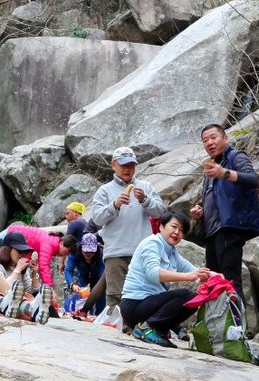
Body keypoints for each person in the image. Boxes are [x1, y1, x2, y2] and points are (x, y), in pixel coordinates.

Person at [89, 146, 166, 314]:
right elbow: (97, 218)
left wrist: (145, 200)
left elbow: (160, 211)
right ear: (113, 165)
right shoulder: (105, 190)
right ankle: (116, 331)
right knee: (116, 296)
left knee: (144, 294)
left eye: (131, 165)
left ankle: (139, 330)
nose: (127, 169)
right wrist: (114, 205)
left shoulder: (145, 187)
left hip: (142, 251)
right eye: (123, 165)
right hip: (116, 252)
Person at [121, 212, 213, 348]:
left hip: (149, 305)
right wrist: (188, 277)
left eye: (181, 230)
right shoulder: (152, 243)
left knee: (195, 299)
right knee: (186, 295)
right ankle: (147, 328)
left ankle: (157, 331)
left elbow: (194, 270)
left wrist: (215, 276)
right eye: (174, 227)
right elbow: (153, 273)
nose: (177, 232)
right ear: (161, 227)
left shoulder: (171, 251)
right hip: (135, 305)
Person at [189, 124, 259, 300]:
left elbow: (253, 179)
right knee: (213, 281)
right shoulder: (212, 168)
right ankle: (222, 325)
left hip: (229, 228)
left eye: (213, 137)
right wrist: (201, 211)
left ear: (225, 138)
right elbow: (218, 198)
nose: (209, 142)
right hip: (212, 232)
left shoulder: (235, 157)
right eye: (205, 140)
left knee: (230, 280)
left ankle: (239, 326)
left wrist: (225, 173)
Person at [0, 230, 53, 324]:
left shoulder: (22, 269)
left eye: (25, 252)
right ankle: (31, 310)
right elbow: (3, 288)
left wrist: (34, 272)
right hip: (4, 303)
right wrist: (17, 270)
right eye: (19, 251)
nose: (23, 255)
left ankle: (35, 311)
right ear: (8, 249)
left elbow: (33, 290)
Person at [4, 223, 71, 290]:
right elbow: (44, 267)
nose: (63, 255)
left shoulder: (52, 241)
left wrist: (32, 269)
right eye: (65, 252)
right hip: (9, 235)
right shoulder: (49, 244)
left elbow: (28, 249)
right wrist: (49, 289)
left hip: (13, 233)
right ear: (61, 243)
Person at [63, 232, 106, 315]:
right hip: (82, 277)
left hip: (97, 278)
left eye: (92, 251)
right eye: (86, 251)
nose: (89, 254)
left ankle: (99, 318)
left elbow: (102, 273)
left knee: (101, 298)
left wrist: (98, 288)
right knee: (82, 299)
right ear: (81, 247)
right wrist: (72, 284)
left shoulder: (100, 253)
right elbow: (68, 270)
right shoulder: (75, 252)